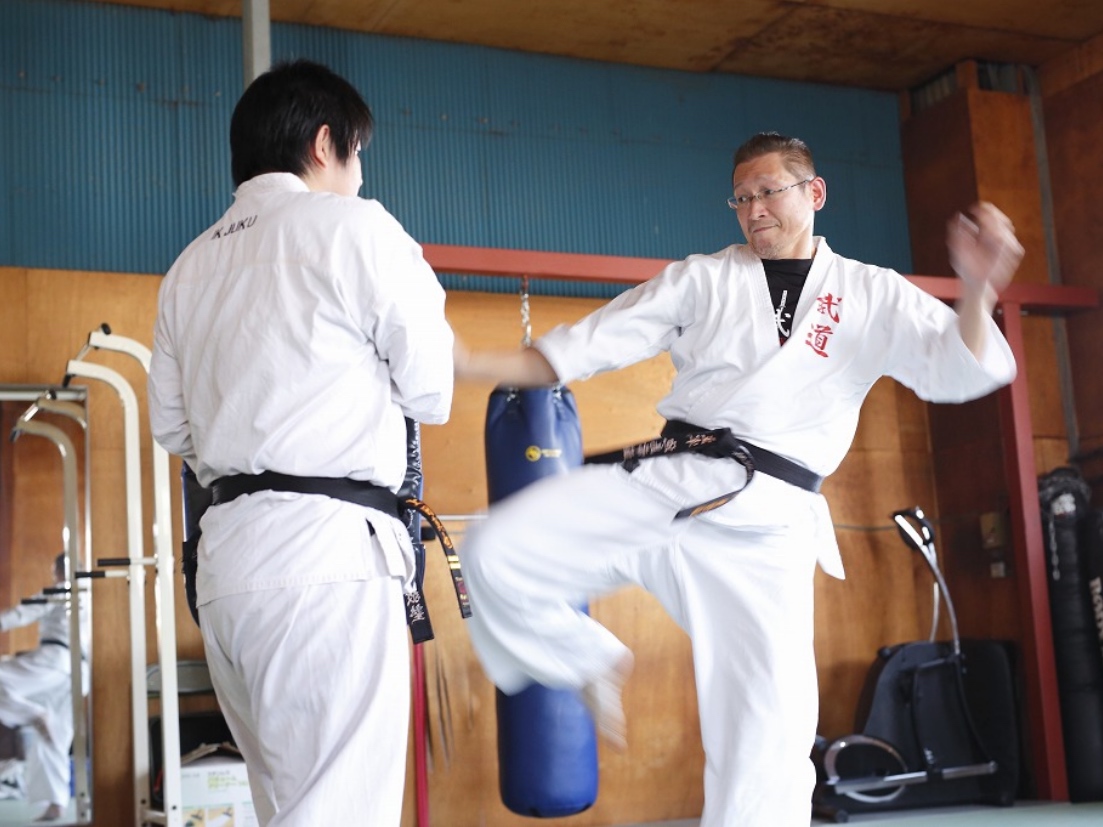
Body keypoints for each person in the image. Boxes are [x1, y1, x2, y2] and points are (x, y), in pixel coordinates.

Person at [453, 132, 1023, 827]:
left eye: (767, 192)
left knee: (766, 730)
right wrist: (469, 363)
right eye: (741, 197)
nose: (753, 210)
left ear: (812, 194)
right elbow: (582, 346)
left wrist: (977, 288)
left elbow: (960, 368)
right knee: (496, 550)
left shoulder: (870, 294)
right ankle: (583, 654)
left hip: (768, 521)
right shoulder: (702, 278)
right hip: (668, 481)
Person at [148, 59, 454, 826]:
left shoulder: (188, 267)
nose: (358, 175)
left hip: (227, 569)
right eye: (358, 155)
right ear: (326, 144)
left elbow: (174, 429)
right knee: (337, 810)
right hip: (329, 564)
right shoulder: (356, 227)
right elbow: (431, 388)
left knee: (287, 804)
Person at [0, 553, 90, 822]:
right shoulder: (90, 598)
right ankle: (56, 804)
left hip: (55, 660)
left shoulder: (61, 589)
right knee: (55, 738)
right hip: (78, 671)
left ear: (60, 570)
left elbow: (22, 612)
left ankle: (32, 714)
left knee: (43, 722)